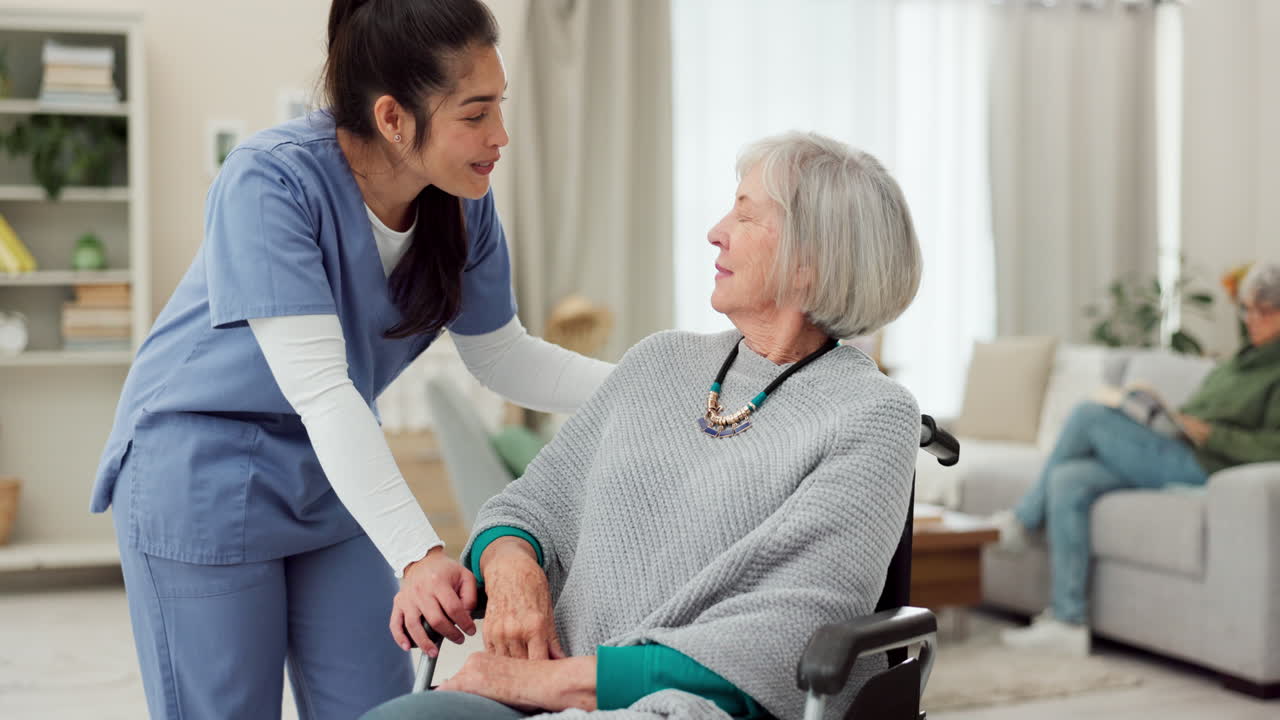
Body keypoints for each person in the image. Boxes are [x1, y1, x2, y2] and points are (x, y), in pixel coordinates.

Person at [88, 1, 613, 717]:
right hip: (200, 469)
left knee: (375, 706)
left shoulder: (461, 199)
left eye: (501, 105)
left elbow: (501, 355)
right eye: (475, 113)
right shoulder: (270, 182)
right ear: (393, 117)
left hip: (328, 474)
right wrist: (419, 554)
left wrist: (655, 381)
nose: (500, 135)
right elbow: (323, 391)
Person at [362, 132, 924, 720]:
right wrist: (512, 571)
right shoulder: (660, 362)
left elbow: (791, 633)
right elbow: (525, 507)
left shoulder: (872, 413)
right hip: (545, 692)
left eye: (745, 215)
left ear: (810, 259)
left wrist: (545, 684)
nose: (716, 232)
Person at [996, 260, 1280, 656]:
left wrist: (1212, 434)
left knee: (1088, 416)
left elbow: (1273, 446)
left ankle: (1023, 519)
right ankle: (1068, 622)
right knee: (1069, 478)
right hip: (1176, 445)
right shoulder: (1241, 360)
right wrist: (1175, 418)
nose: (1251, 319)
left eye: (1263, 311)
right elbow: (1202, 409)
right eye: (1247, 309)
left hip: (1204, 466)